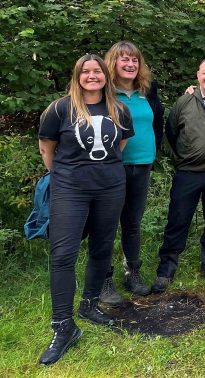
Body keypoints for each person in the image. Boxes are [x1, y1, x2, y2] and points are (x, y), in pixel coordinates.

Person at [37, 54, 134, 365]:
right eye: (86, 72)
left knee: (102, 248)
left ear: (105, 75)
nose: (92, 76)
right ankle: (63, 328)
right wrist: (65, 177)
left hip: (110, 188)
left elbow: (119, 146)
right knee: (63, 254)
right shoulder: (60, 108)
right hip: (69, 190)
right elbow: (46, 147)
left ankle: (90, 305)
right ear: (77, 76)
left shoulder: (119, 109)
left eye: (97, 71)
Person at [152, 58, 205, 293]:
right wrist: (185, 156)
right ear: (198, 75)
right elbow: (171, 132)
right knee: (177, 220)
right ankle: (166, 268)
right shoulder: (184, 101)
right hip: (187, 173)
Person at [99, 41, 164, 305]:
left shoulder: (146, 91)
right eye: (124, 59)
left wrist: (154, 151)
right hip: (112, 166)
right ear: (112, 63)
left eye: (134, 60)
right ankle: (103, 279)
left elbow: (157, 122)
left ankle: (132, 272)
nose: (130, 64)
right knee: (105, 225)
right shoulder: (104, 94)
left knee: (132, 222)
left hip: (142, 164)